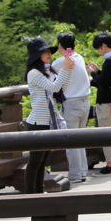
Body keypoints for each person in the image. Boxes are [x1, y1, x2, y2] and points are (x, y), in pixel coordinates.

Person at [23, 37, 75, 193]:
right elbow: (54, 87)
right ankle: (30, 193)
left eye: (49, 51)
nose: (48, 54)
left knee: (43, 161)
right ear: (36, 55)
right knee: (34, 162)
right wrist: (65, 68)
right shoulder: (33, 73)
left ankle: (39, 190)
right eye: (44, 52)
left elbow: (62, 87)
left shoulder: (47, 70)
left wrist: (69, 69)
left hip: (49, 121)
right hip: (38, 122)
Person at [51, 32, 92, 183]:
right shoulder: (79, 58)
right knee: (80, 140)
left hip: (72, 103)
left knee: (71, 142)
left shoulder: (60, 61)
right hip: (85, 102)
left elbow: (49, 74)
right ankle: (82, 172)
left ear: (59, 46)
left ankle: (75, 175)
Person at [87, 32, 111, 176]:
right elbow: (110, 79)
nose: (99, 52)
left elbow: (103, 83)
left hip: (106, 103)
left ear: (103, 46)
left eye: (99, 49)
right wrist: (99, 72)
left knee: (106, 134)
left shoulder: (109, 60)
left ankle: (110, 165)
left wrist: (92, 74)